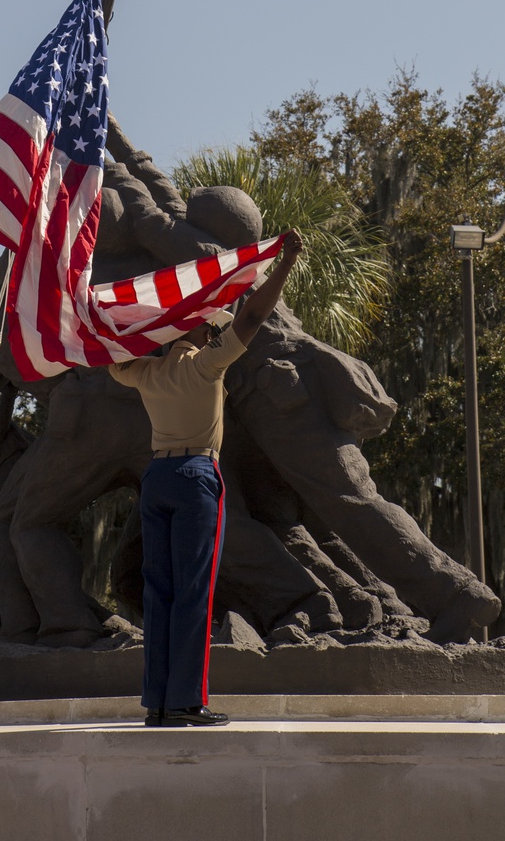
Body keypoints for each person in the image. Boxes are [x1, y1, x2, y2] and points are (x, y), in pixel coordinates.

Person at [109, 231, 304, 728]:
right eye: (211, 329)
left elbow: (111, 355)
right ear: (200, 333)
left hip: (157, 477)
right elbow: (254, 316)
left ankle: (157, 701)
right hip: (196, 474)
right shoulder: (208, 366)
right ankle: (186, 702)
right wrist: (285, 264)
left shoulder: (145, 374)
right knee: (194, 590)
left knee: (160, 592)